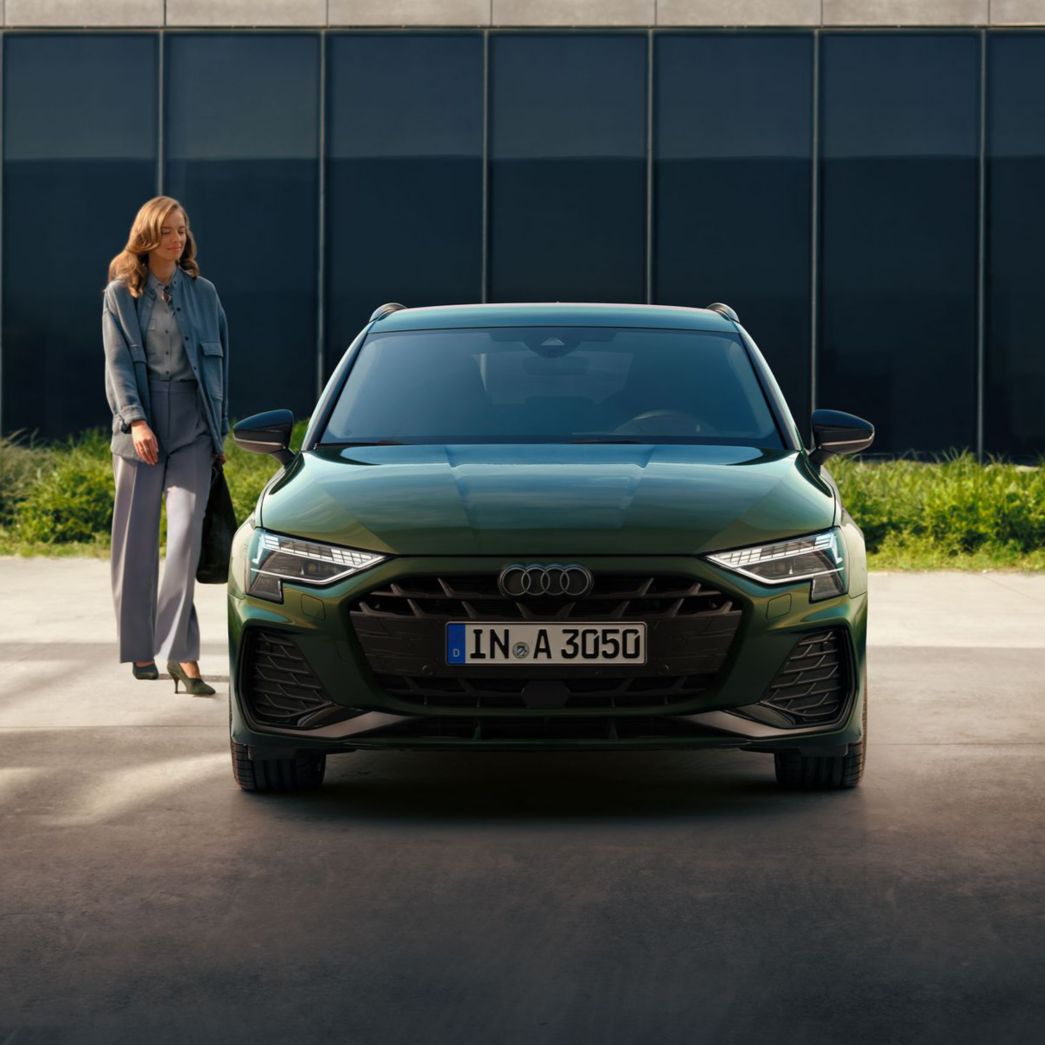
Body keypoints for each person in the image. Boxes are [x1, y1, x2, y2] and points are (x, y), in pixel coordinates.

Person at [102, 196, 229, 696]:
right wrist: (135, 421)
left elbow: (220, 370)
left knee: (185, 538)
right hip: (142, 424)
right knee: (135, 541)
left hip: (193, 425)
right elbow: (116, 366)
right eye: (169, 231)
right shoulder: (119, 295)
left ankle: (183, 653)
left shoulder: (205, 293)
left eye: (183, 230)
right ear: (148, 237)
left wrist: (217, 434)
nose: (179, 238)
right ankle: (139, 645)